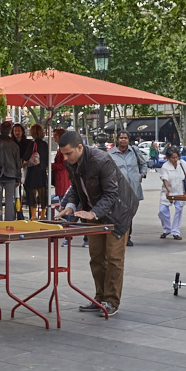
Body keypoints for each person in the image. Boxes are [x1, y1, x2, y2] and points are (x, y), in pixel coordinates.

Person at [55, 130, 139, 316]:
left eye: (69, 153)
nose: (66, 158)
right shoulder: (71, 162)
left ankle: (111, 301)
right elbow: (76, 187)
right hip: (93, 212)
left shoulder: (101, 160)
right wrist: (69, 206)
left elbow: (112, 194)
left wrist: (93, 214)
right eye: (63, 154)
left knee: (114, 259)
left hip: (118, 212)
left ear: (79, 147)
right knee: (97, 258)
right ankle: (100, 298)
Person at [108, 132, 147, 247]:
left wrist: (141, 175)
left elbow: (143, 164)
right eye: (121, 138)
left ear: (129, 140)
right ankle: (120, 235)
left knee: (129, 213)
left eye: (125, 138)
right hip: (118, 190)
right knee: (120, 213)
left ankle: (127, 236)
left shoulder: (134, 151)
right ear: (117, 139)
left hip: (133, 188)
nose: (123, 140)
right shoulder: (110, 154)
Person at [157, 147, 186, 240]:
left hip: (180, 191)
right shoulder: (165, 166)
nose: (175, 160)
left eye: (176, 157)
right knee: (162, 211)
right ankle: (167, 229)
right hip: (168, 192)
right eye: (173, 158)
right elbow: (165, 179)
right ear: (168, 158)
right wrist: (168, 190)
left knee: (179, 210)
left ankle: (175, 231)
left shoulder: (182, 164)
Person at [21, 124, 50, 220]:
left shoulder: (32, 144)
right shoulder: (46, 145)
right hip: (42, 173)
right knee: (42, 195)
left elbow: (26, 157)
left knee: (32, 195)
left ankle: (33, 216)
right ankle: (43, 215)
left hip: (33, 173)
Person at [50, 127, 71, 203]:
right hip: (61, 178)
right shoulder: (61, 148)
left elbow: (63, 165)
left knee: (63, 202)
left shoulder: (63, 149)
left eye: (55, 135)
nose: (53, 137)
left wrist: (50, 166)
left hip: (63, 178)